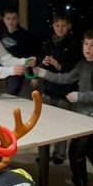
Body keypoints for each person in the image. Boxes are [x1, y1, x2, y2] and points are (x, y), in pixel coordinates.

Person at [35, 28, 93, 186]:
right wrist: (44, 74)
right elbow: (67, 78)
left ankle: (80, 181)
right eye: (86, 44)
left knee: (76, 150)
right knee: (91, 148)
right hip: (84, 113)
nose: (87, 48)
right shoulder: (83, 63)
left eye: (92, 45)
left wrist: (79, 96)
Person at [36, 12, 79, 163]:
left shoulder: (74, 45)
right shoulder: (48, 42)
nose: (60, 29)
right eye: (57, 25)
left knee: (62, 123)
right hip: (48, 89)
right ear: (53, 26)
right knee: (45, 122)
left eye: (63, 26)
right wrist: (44, 62)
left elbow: (74, 69)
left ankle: (59, 154)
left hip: (64, 91)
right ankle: (44, 152)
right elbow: (41, 59)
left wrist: (59, 65)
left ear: (69, 27)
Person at [0, 8, 34, 97]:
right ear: (4, 20)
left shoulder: (24, 35)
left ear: (18, 19)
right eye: (8, 18)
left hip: (17, 68)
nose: (11, 21)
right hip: (3, 68)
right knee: (2, 94)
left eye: (14, 18)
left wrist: (33, 75)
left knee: (11, 95)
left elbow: (29, 55)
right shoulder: (0, 33)